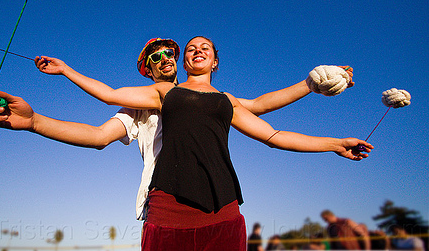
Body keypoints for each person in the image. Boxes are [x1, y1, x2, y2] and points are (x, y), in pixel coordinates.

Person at [31, 35, 373, 250]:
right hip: (167, 210)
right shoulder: (160, 95)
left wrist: (330, 137)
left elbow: (272, 130)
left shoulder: (226, 101)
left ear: (214, 61)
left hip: (222, 210)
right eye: (190, 48)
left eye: (203, 48)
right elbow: (106, 104)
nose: (194, 51)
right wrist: (64, 76)